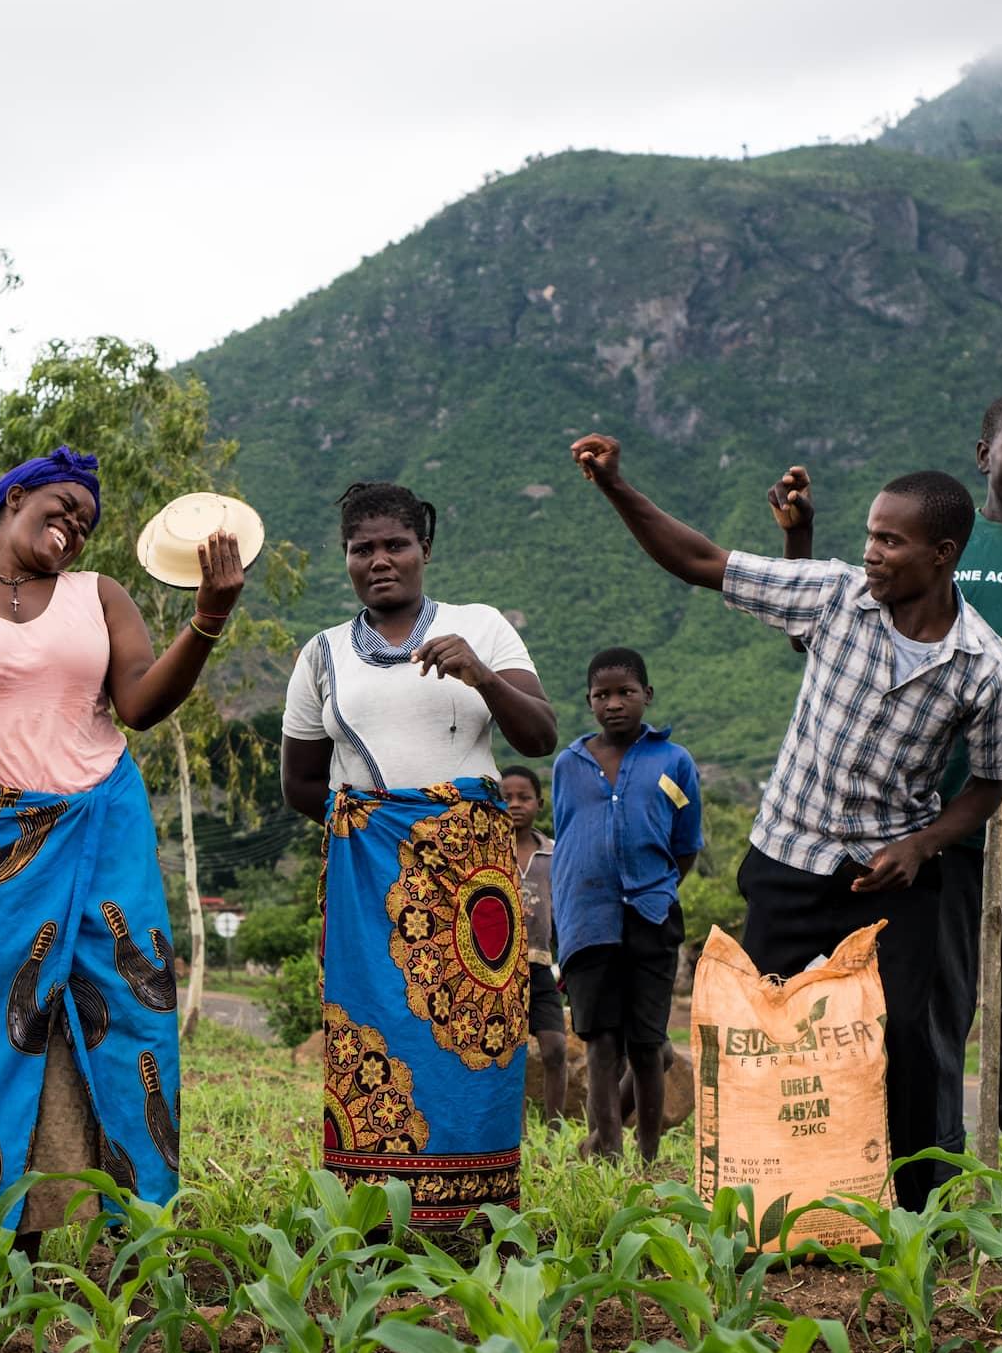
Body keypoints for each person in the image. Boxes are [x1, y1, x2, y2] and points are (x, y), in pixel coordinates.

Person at [569, 434, 1002, 1213]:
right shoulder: (836, 596)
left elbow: (988, 784)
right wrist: (616, 486)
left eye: (889, 540)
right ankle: (760, 1203)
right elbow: (701, 561)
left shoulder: (987, 667)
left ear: (942, 554)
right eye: (870, 534)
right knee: (763, 1038)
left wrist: (921, 844)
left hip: (891, 875)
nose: (870, 551)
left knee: (910, 1036)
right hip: (787, 857)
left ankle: (913, 1214)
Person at [0, 446, 245, 1244]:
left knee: (136, 1014)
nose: (74, 529)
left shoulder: (99, 595)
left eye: (86, 524)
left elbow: (139, 704)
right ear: (14, 498)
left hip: (105, 821)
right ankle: (6, 1236)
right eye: (61, 509)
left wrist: (208, 620)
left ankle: (138, 1228)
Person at [783, 391, 1002, 1187]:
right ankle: (920, 1193)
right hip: (921, 830)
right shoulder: (937, 548)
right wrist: (797, 539)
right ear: (985, 456)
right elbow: (830, 637)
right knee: (925, 1013)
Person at [280, 480, 552, 1230]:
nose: (379, 560)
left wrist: (482, 675)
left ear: (424, 550)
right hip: (371, 883)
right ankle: (375, 1216)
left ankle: (479, 1217)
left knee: (480, 1044)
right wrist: (376, 835)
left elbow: (539, 737)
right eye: (361, 548)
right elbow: (301, 783)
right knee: (367, 1035)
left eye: (395, 544)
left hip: (474, 876)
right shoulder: (324, 655)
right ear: (346, 559)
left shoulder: (481, 627)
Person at [550, 649, 705, 1166]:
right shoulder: (568, 765)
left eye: (626, 693)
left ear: (647, 695)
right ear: (590, 701)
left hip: (652, 916)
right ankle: (608, 1151)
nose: (614, 704)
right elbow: (569, 839)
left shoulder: (674, 762)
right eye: (602, 695)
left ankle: (649, 1153)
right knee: (600, 1043)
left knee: (646, 1043)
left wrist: (656, 889)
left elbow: (685, 843)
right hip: (589, 920)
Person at [500, 765, 571, 1124]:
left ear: (539, 803)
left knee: (555, 1048)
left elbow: (563, 909)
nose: (515, 804)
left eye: (523, 797)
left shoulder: (554, 855)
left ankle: (554, 1127)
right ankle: (518, 1129)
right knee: (509, 1053)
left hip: (540, 964)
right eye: (506, 797)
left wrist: (571, 959)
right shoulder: (489, 852)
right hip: (497, 970)